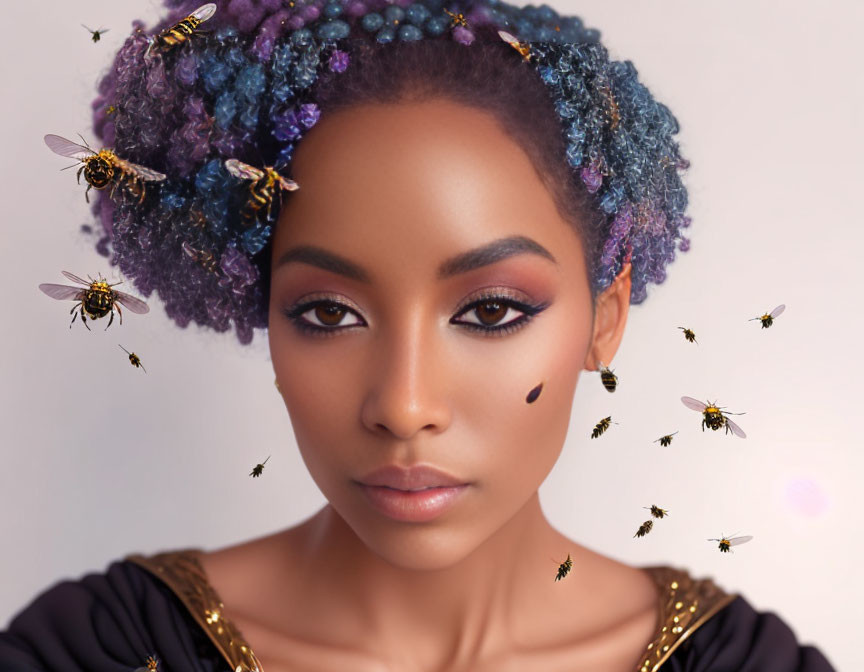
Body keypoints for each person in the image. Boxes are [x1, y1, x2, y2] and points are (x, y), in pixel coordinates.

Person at [0, 0, 836, 670]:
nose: (404, 406)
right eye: (327, 313)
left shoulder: (743, 662)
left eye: (491, 311)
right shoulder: (97, 650)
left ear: (604, 317)